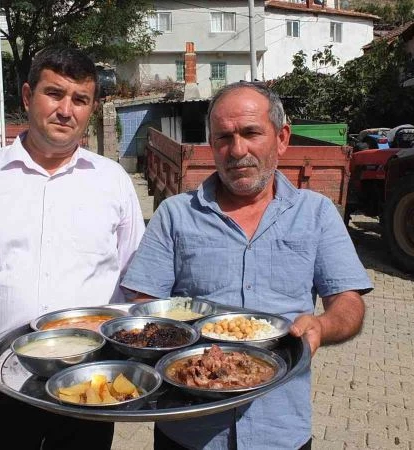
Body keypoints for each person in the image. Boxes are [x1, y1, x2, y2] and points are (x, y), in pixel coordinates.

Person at [121, 81, 372, 450]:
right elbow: (145, 306)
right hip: (190, 429)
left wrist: (321, 326)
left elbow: (348, 303)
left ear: (282, 138)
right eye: (223, 137)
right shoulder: (176, 214)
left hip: (280, 429)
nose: (237, 150)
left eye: (251, 133)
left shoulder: (316, 213)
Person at [0, 47, 145, 450]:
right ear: (27, 96)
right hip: (1, 372)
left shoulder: (113, 183)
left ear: (91, 109)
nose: (66, 110)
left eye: (80, 100)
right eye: (54, 94)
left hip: (88, 374)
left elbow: (134, 281)